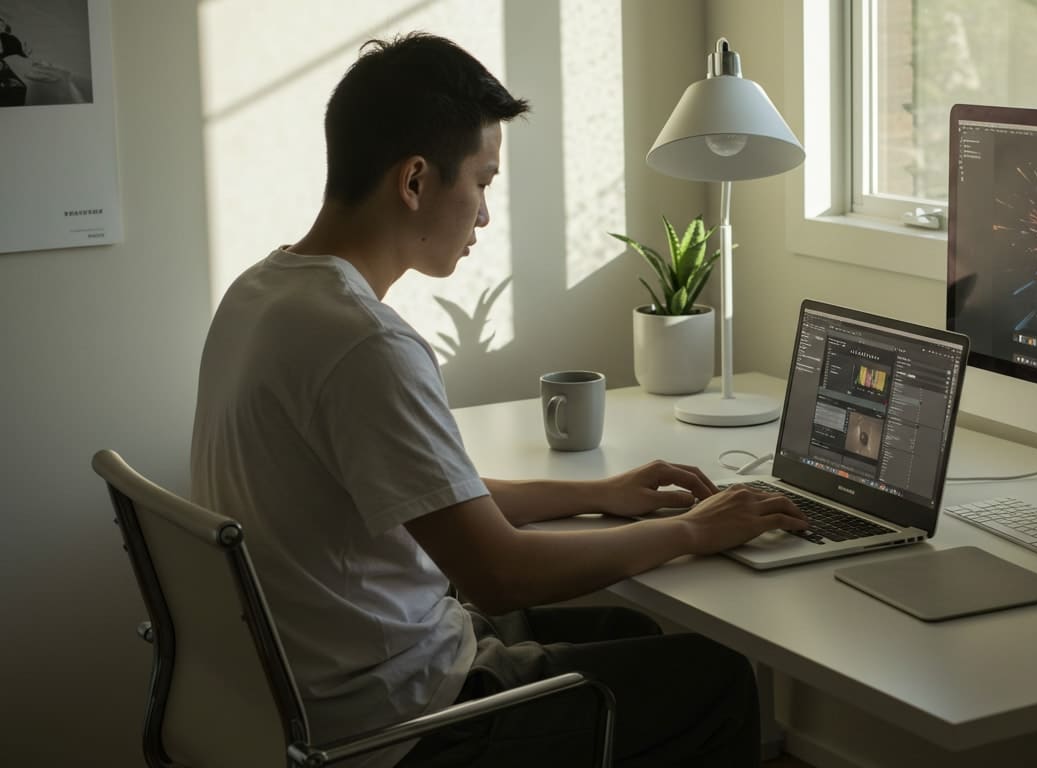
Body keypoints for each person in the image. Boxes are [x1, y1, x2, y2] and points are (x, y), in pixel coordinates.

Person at [189, 32, 807, 768]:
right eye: (481, 183)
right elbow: (498, 573)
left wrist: (603, 494)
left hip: (310, 692)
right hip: (402, 725)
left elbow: (435, 502)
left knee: (635, 638)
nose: (484, 214)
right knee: (717, 680)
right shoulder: (366, 345)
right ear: (415, 181)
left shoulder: (261, 293)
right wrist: (695, 532)